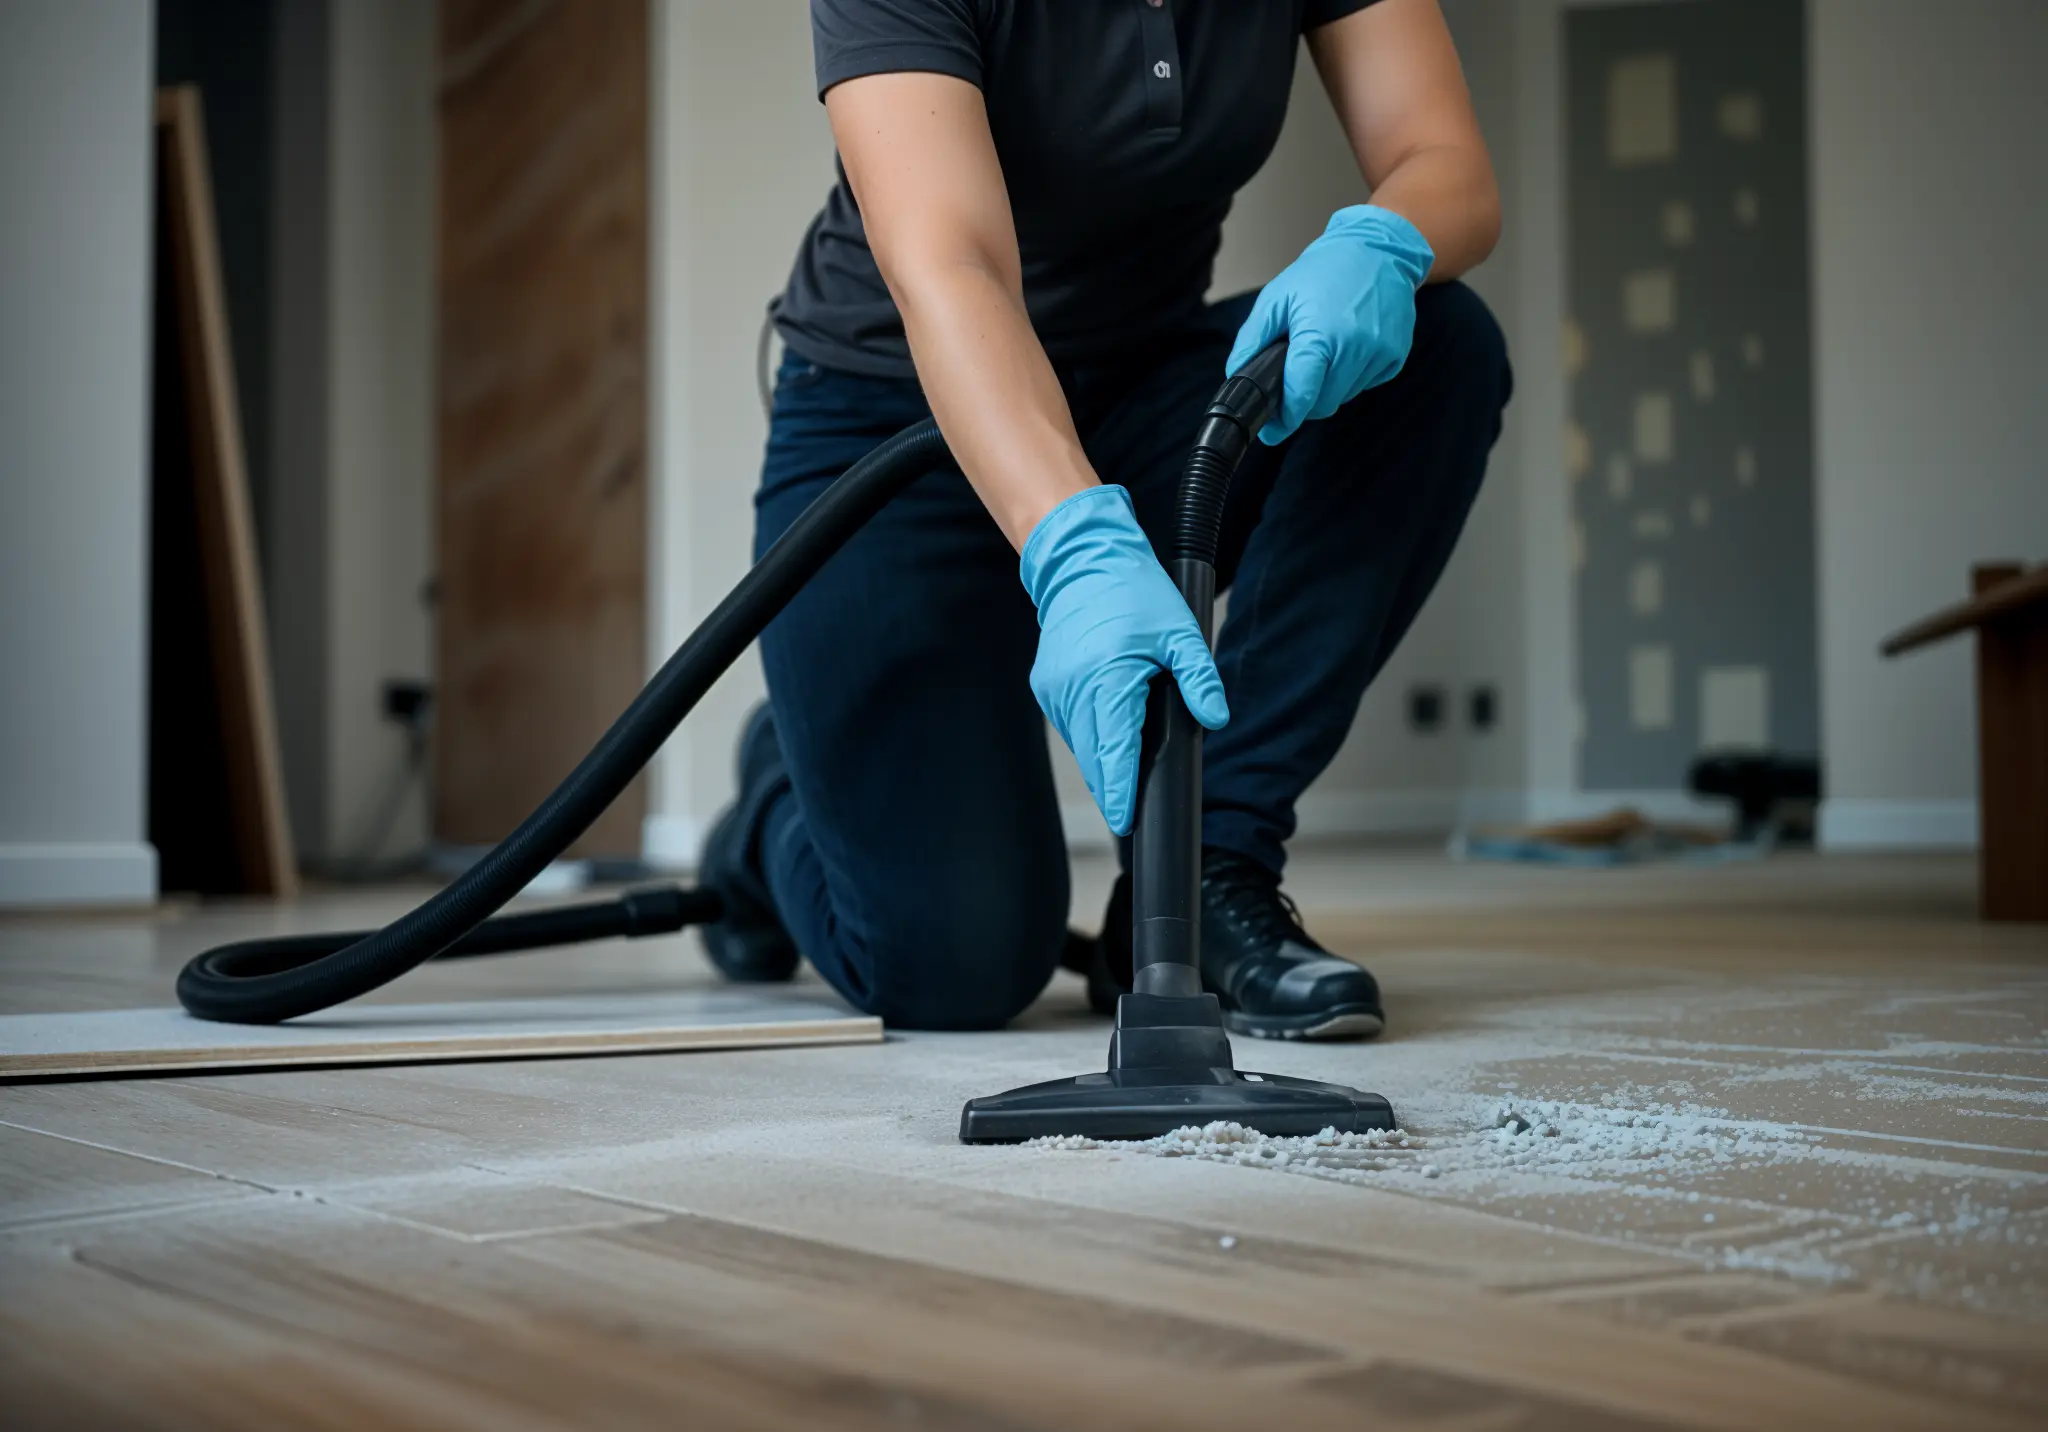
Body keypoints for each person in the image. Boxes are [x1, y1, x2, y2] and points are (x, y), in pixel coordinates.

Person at [699, 0, 1511, 1039]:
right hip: (889, 423)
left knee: (1437, 347)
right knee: (958, 966)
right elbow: (953, 265)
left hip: (1140, 396)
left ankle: (1206, 872)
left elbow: (1444, 161)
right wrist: (1073, 535)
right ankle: (774, 800)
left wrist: (1385, 243)